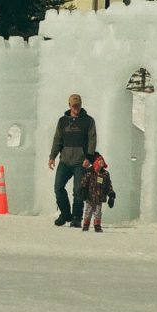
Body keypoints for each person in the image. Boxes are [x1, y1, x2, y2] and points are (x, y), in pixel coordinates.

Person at [48, 93, 97, 227]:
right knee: (58, 187)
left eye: (78, 105)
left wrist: (88, 158)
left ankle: (76, 217)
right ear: (69, 105)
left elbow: (92, 140)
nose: (76, 108)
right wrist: (52, 157)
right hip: (64, 161)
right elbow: (57, 140)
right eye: (74, 105)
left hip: (81, 162)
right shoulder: (62, 121)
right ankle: (65, 214)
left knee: (78, 191)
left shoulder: (88, 121)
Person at [79, 152, 115, 232]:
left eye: (102, 160)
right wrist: (82, 190)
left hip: (99, 197)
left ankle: (97, 225)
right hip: (90, 196)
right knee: (88, 211)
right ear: (95, 162)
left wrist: (111, 194)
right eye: (99, 160)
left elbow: (108, 184)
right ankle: (86, 225)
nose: (101, 161)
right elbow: (84, 182)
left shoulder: (105, 174)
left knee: (98, 212)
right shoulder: (90, 172)